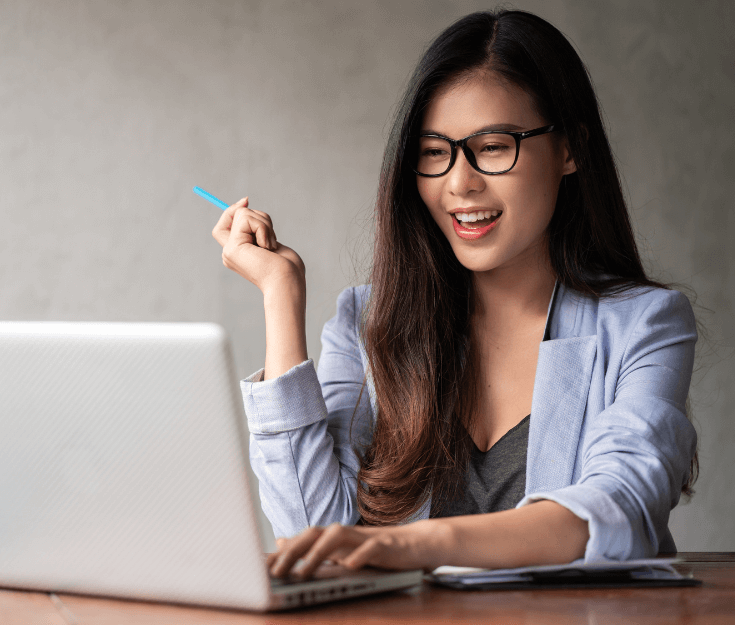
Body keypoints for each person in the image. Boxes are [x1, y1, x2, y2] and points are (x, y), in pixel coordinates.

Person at [210, 9, 698, 581]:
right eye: (434, 152)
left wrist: (418, 543)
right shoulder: (367, 321)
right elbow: (311, 534)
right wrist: (280, 296)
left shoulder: (645, 324)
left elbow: (614, 510)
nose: (459, 183)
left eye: (493, 146)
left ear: (570, 149)